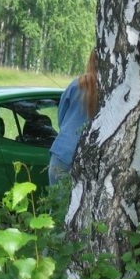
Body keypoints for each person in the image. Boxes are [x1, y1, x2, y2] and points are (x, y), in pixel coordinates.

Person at [49, 49, 98, 186]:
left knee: (57, 205)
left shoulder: (77, 84)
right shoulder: (111, 90)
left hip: (62, 152)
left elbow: (61, 118)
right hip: (90, 157)